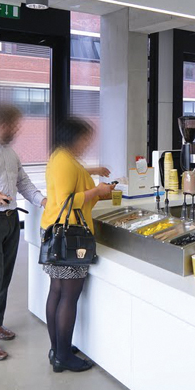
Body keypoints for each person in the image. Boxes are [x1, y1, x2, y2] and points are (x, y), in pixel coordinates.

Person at [0, 104, 46, 362]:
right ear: (1, 124)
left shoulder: (9, 152)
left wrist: (42, 200)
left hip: (11, 218)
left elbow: (22, 181)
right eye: (14, 125)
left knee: (3, 276)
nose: (17, 129)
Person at [41, 118, 114, 373]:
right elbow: (66, 201)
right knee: (68, 296)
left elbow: (72, 176)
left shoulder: (62, 156)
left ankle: (57, 349)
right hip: (69, 237)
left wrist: (93, 172)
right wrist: (97, 192)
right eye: (85, 138)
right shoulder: (63, 160)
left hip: (57, 233)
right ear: (73, 137)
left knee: (57, 291)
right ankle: (63, 356)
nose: (87, 143)